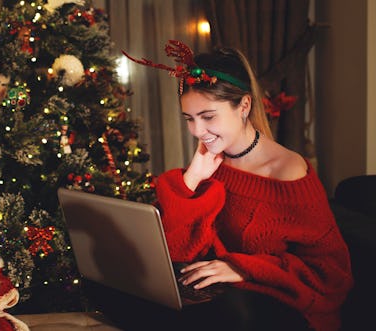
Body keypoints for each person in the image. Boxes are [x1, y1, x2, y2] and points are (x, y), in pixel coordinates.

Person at [103, 40, 353, 331]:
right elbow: (173, 249)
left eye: (208, 117)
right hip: (216, 295)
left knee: (227, 312)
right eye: (189, 119)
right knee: (117, 289)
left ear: (244, 105)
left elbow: (330, 275)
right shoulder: (209, 163)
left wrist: (242, 268)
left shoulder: (289, 171)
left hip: (271, 304)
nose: (197, 131)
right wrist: (191, 179)